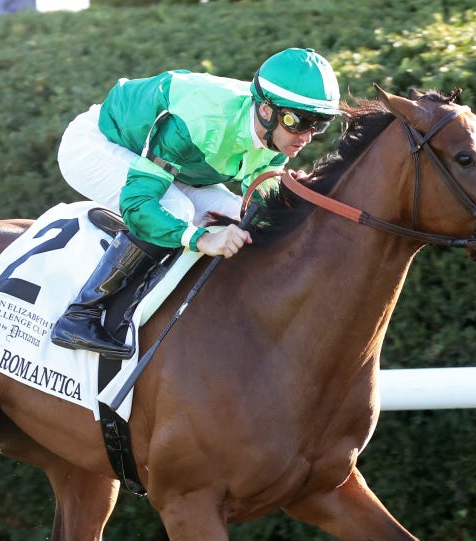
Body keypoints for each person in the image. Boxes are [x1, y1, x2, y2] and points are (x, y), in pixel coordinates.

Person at [50, 48, 342, 359]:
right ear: (266, 111)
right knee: (178, 210)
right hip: (99, 143)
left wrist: (292, 201)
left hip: (171, 164)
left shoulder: (276, 139)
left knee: (237, 218)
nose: (307, 136)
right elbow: (138, 204)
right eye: (298, 121)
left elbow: (259, 203)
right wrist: (201, 239)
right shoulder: (198, 121)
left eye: (319, 124)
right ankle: (81, 314)